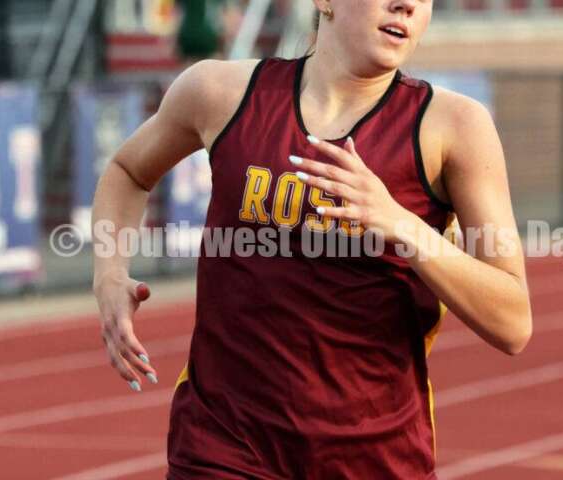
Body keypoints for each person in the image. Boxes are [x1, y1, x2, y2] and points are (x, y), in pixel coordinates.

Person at [91, 0, 532, 477]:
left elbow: (512, 323)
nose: (405, 5)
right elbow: (127, 170)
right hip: (224, 446)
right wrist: (109, 274)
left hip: (374, 456)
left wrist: (400, 224)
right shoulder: (219, 92)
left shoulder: (454, 128)